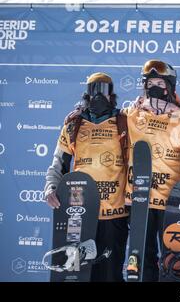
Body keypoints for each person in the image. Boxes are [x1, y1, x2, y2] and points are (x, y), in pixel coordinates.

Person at [44, 72, 129, 282]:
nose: (99, 96)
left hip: (114, 212)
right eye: (94, 90)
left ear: (112, 95)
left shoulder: (124, 122)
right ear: (87, 95)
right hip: (79, 212)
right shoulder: (74, 124)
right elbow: (59, 162)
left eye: (104, 90)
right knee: (78, 274)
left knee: (111, 273)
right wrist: (51, 187)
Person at [122, 59, 180, 282]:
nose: (155, 87)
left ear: (170, 86)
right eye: (150, 83)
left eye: (160, 82)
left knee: (172, 259)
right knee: (142, 258)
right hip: (140, 200)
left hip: (171, 201)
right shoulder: (133, 113)